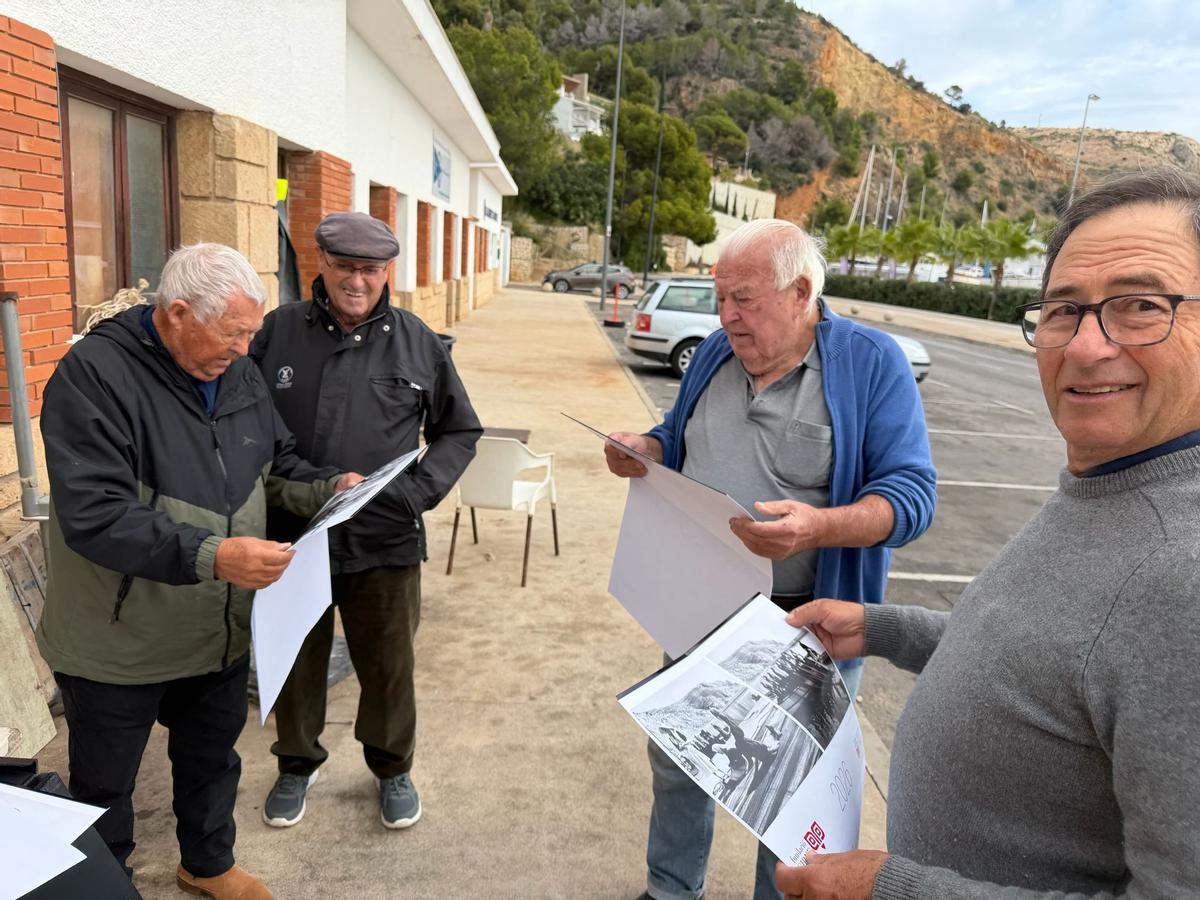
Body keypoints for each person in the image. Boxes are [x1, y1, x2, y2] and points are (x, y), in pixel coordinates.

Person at [778, 169, 1200, 899]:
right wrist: (882, 627)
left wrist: (893, 890)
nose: (1086, 346)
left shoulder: (1182, 573)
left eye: (1139, 307)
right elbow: (1049, 660)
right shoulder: (1113, 482)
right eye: (1065, 310)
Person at [605, 218, 937, 900]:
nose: (726, 315)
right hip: (703, 609)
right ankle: (670, 891)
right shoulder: (713, 355)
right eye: (720, 296)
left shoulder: (872, 365)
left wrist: (817, 527)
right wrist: (648, 447)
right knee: (681, 759)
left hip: (807, 624)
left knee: (787, 794)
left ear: (801, 291)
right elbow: (679, 432)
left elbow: (911, 498)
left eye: (745, 298)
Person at [36, 243, 360, 900]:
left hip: (216, 628)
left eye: (252, 334)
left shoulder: (235, 371)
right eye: (234, 333)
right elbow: (94, 513)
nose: (245, 351)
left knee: (212, 759)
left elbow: (275, 464)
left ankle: (206, 864)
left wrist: (330, 490)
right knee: (104, 785)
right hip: (118, 639)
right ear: (178, 313)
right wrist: (216, 556)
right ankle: (100, 885)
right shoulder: (92, 375)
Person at [252, 212, 481, 831]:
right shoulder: (275, 334)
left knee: (388, 665)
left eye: (371, 269)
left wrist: (414, 494)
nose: (358, 280)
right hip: (293, 535)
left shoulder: (418, 341)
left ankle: (391, 767)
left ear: (387, 272)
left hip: (385, 539)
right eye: (345, 266)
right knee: (296, 654)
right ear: (320, 263)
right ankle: (297, 763)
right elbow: (246, 423)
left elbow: (459, 431)